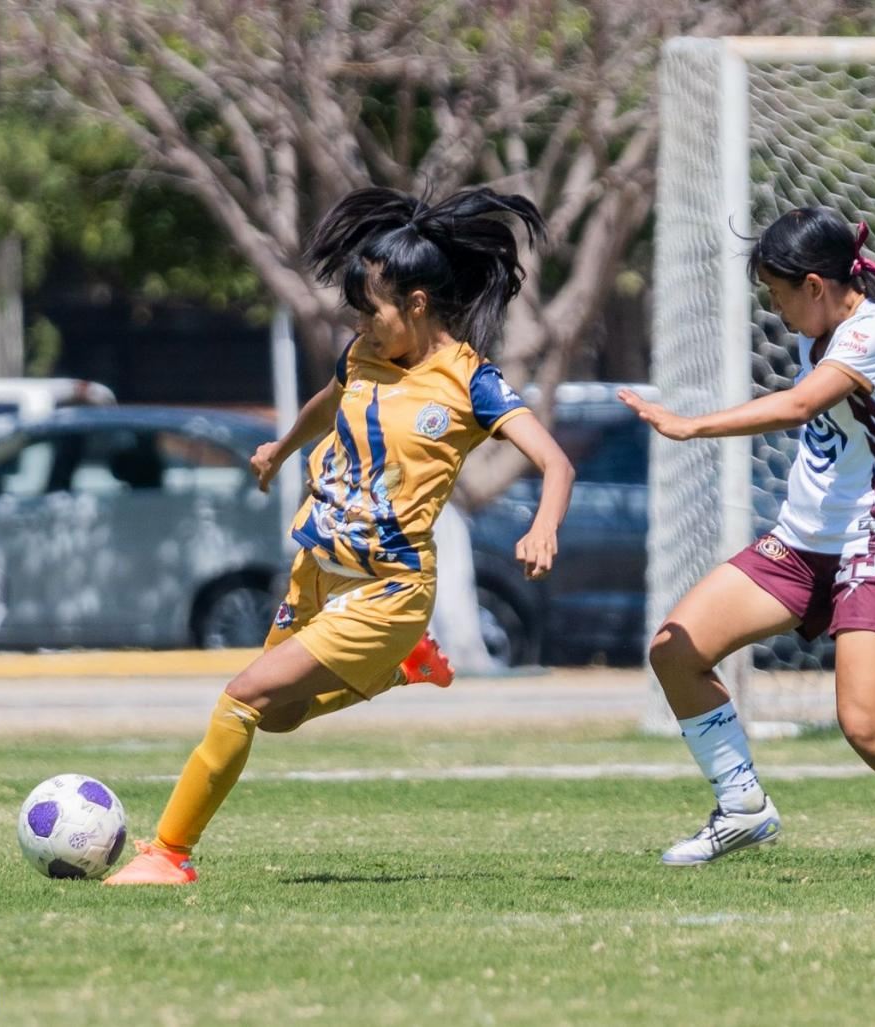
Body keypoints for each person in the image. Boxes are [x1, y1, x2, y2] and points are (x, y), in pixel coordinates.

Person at [106, 186, 576, 885]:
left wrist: (544, 526)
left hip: (389, 589)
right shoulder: (363, 354)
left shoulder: (471, 381)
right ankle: (402, 666)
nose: (361, 320)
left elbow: (554, 460)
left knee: (242, 696)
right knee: (277, 718)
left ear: (416, 304)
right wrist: (280, 448)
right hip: (318, 572)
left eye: (371, 308)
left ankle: (168, 855)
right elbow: (328, 403)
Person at [619, 209, 875, 880]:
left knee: (865, 725)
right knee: (675, 651)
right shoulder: (823, 329)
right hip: (803, 542)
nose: (776, 311)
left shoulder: (871, 331)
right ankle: (742, 805)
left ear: (814, 284)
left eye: (777, 295)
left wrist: (691, 428)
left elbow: (801, 405)